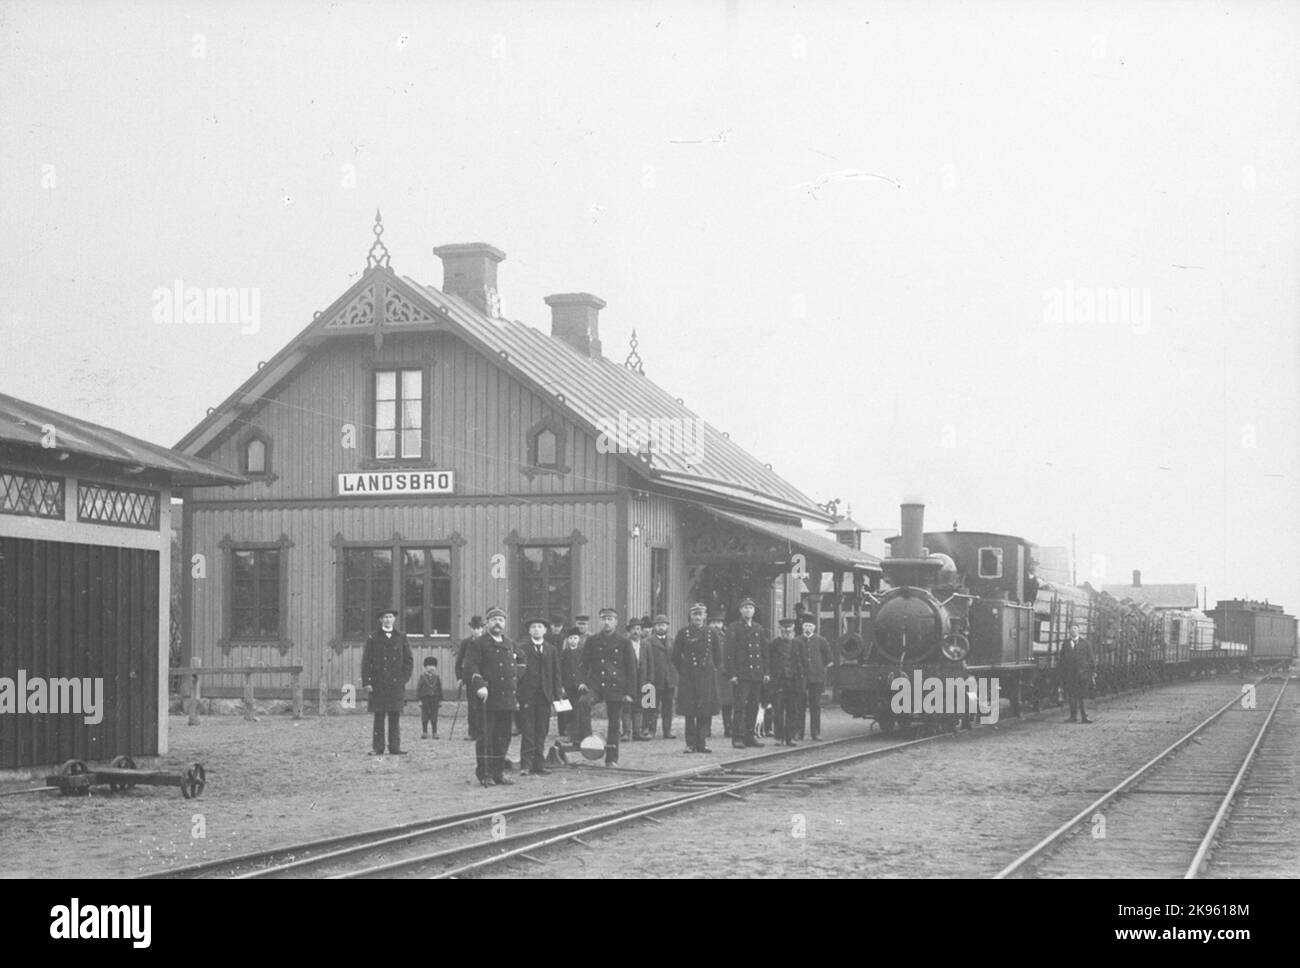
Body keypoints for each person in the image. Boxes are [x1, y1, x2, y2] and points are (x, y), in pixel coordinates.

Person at [463, 606, 520, 786]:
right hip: (487, 698)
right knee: (486, 737)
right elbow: (470, 666)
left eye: (501, 620)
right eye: (494, 619)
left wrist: (516, 686)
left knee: (504, 737)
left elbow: (520, 665)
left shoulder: (509, 643)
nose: (498, 623)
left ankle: (498, 772)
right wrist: (479, 685)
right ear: (487, 623)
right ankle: (485, 774)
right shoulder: (478, 644)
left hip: (506, 699)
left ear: (504, 623)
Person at [578, 607, 637, 767]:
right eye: (604, 618)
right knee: (583, 702)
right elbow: (583, 663)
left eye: (610, 619)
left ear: (616, 622)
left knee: (614, 723)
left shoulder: (624, 642)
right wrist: (582, 681)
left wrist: (629, 692)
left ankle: (611, 759)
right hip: (596, 685)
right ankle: (588, 739)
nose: (607, 622)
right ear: (600, 621)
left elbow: (631, 668)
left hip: (616, 686)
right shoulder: (592, 640)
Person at [361, 607, 414, 755]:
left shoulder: (401, 637)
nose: (388, 619)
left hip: (395, 683)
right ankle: (378, 748)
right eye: (385, 617)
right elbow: (366, 661)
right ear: (380, 620)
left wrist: (403, 679)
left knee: (394, 715)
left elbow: (408, 660)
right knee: (379, 716)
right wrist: (367, 682)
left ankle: (395, 747)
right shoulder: (373, 637)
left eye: (390, 617)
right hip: (378, 683)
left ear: (394, 619)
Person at [673, 603, 722, 753]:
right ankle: (690, 744)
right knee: (689, 711)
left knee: (705, 711)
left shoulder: (712, 633)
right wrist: (684, 670)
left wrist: (711, 668)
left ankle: (702, 742)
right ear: (690, 616)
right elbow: (675, 656)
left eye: (700, 614)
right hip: (689, 677)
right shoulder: (683, 633)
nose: (698, 617)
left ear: (705, 616)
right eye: (695, 614)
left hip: (706, 677)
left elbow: (718, 655)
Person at [516, 618, 563, 775]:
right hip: (527, 695)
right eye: (533, 627)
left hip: (544, 695)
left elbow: (556, 673)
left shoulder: (551, 649)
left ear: (545, 631)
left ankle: (539, 763)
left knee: (542, 730)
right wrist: (517, 694)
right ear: (529, 631)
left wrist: (557, 695)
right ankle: (526, 764)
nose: (536, 629)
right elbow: (517, 674)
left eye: (539, 627)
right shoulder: (522, 648)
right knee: (528, 730)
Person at [726, 597, 769, 748]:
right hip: (741, 674)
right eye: (745, 608)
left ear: (754, 611)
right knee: (740, 706)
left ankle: (750, 737)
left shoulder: (758, 628)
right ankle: (737, 736)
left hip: (756, 673)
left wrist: (766, 672)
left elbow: (764, 652)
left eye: (750, 608)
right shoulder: (734, 627)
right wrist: (732, 674)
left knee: (753, 706)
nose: (748, 610)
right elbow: (729, 653)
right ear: (740, 610)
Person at [767, 618, 807, 746]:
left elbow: (804, 662)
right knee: (778, 710)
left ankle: (790, 737)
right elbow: (768, 661)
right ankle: (779, 737)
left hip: (794, 681)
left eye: (789, 629)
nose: (787, 632)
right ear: (780, 630)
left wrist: (803, 679)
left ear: (793, 630)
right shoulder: (773, 644)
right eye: (784, 630)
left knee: (792, 710)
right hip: (778, 681)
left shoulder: (799, 644)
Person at [798, 616, 834, 740]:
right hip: (801, 678)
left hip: (816, 678)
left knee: (815, 705)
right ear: (802, 627)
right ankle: (799, 732)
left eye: (810, 626)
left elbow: (829, 659)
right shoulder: (797, 641)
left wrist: (820, 669)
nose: (808, 628)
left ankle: (815, 733)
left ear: (814, 627)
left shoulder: (821, 641)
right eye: (806, 625)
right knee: (799, 705)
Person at [454, 615, 486, 742]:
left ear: (482, 629)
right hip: (470, 678)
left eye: (478, 628)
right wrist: (460, 677)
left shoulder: (486, 641)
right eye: (473, 628)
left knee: (484, 706)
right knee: (472, 706)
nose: (476, 631)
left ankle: (483, 733)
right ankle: (472, 732)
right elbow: (459, 661)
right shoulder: (466, 642)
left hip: (484, 678)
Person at [647, 614, 677, 739]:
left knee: (668, 707)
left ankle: (667, 730)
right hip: (654, 679)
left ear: (667, 626)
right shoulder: (648, 641)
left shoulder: (673, 641)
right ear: (654, 627)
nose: (661, 627)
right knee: (651, 706)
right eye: (658, 625)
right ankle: (651, 730)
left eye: (663, 625)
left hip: (669, 678)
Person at [1058, 623, 1095, 724]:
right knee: (1072, 696)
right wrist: (1062, 674)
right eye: (1071, 629)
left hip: (1083, 674)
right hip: (1070, 675)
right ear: (1069, 631)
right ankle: (1073, 717)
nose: (1073, 631)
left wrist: (1092, 673)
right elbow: (1062, 660)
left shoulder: (1085, 643)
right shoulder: (1065, 644)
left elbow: (1091, 659)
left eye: (1075, 629)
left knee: (1083, 696)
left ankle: (1085, 717)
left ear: (1079, 631)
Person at [558, 626, 589, 743]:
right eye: (570, 638)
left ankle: (576, 731)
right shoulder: (564, 653)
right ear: (567, 640)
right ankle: (566, 730)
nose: (573, 640)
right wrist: (560, 685)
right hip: (567, 685)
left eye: (575, 638)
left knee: (577, 708)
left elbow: (586, 669)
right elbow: (559, 670)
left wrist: (584, 682)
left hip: (579, 685)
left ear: (579, 639)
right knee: (566, 708)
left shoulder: (582, 652)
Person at [710, 610, 733, 737]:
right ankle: (706, 729)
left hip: (723, 674)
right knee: (708, 702)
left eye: (718, 622)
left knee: (727, 702)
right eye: (713, 622)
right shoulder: (705, 636)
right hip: (710, 673)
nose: (716, 625)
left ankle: (728, 727)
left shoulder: (726, 637)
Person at [417, 657, 443, 739]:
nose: (431, 667)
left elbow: (440, 688)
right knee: (425, 715)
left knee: (434, 715)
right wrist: (419, 700)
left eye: (433, 665)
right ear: (425, 667)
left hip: (435, 698)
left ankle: (434, 732)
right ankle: (424, 732)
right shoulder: (422, 676)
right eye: (429, 665)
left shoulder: (437, 677)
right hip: (425, 698)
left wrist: (440, 700)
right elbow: (419, 688)